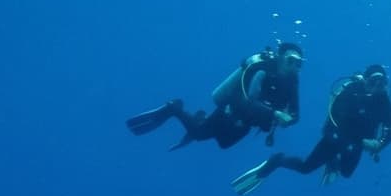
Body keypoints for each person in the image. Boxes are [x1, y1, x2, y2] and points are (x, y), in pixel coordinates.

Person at [233, 64, 391, 194]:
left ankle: (333, 161)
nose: (377, 87)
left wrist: (380, 144)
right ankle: (276, 160)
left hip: (358, 143)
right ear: (365, 81)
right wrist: (363, 141)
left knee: (346, 173)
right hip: (335, 137)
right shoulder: (352, 92)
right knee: (305, 168)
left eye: (382, 83)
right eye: (373, 81)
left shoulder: (384, 103)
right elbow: (338, 117)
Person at [127, 42, 303, 149]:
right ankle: (175, 108)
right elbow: (249, 102)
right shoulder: (263, 72)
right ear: (280, 58)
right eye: (290, 60)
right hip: (232, 112)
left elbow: (296, 113)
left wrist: (290, 119)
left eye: (298, 63)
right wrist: (276, 114)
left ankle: (199, 118)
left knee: (224, 144)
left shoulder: (292, 82)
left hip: (247, 123)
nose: (294, 66)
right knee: (199, 134)